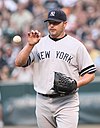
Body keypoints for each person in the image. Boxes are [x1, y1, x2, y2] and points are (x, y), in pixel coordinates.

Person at [15, 9, 96, 128]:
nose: (52, 25)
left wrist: (76, 84)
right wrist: (29, 45)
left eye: (56, 23)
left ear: (65, 24)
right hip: (43, 100)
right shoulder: (39, 43)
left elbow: (90, 73)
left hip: (67, 101)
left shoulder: (76, 45)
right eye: (50, 22)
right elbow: (19, 62)